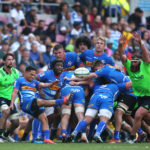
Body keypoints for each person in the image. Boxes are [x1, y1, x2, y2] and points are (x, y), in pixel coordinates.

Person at [9, 66, 72, 144]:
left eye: (34, 75)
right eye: (31, 74)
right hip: (25, 103)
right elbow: (14, 92)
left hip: (33, 103)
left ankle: (46, 138)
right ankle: (63, 100)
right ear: (25, 73)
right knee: (40, 101)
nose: (32, 77)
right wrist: (12, 103)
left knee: (44, 118)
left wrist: (51, 84)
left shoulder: (35, 82)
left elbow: (43, 84)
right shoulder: (19, 80)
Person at [118, 33, 150, 143]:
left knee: (138, 114)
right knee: (146, 117)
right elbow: (122, 56)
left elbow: (146, 55)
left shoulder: (145, 65)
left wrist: (141, 43)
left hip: (149, 96)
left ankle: (132, 138)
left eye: (136, 60)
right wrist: (120, 45)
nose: (134, 62)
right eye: (133, 60)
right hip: (140, 97)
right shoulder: (130, 67)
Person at [0, 53, 20, 142]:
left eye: (12, 59)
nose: (11, 61)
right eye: (8, 59)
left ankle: (6, 135)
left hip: (11, 100)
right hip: (1, 97)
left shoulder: (16, 72)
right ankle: (0, 136)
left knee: (16, 123)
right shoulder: (0, 73)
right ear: (4, 61)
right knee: (6, 111)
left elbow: (18, 87)